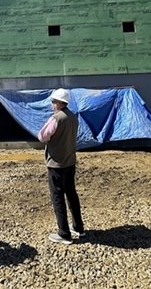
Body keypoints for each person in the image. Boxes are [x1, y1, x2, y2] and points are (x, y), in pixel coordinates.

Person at [37, 88, 85, 244]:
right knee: (71, 194)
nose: (52, 104)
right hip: (70, 162)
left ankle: (64, 233)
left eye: (53, 101)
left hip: (56, 164)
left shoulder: (56, 118)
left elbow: (42, 136)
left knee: (57, 197)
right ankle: (78, 227)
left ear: (58, 103)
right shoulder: (73, 117)